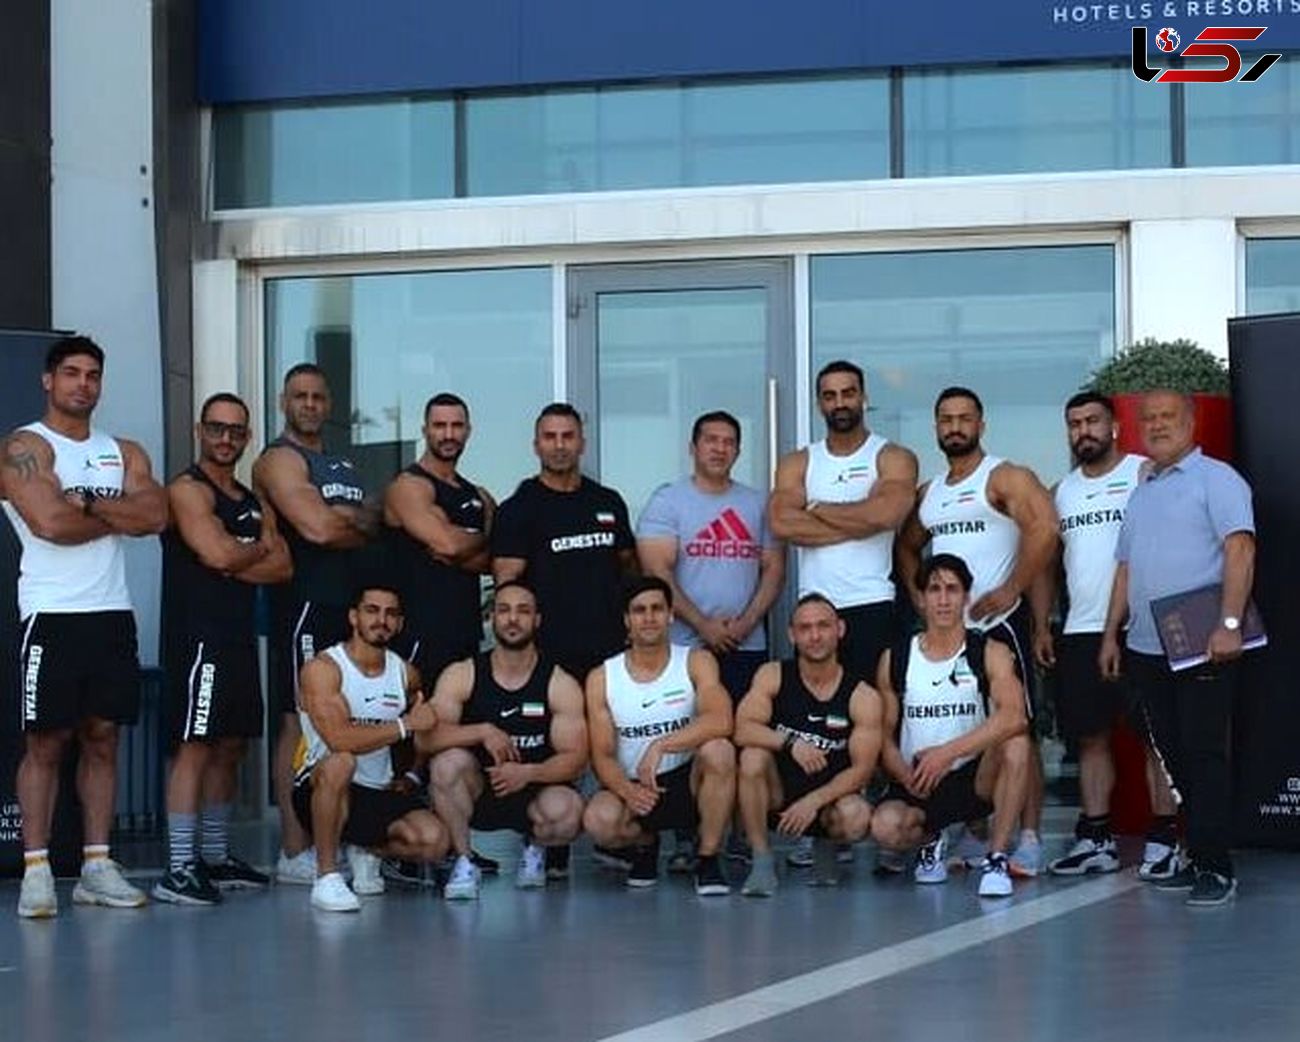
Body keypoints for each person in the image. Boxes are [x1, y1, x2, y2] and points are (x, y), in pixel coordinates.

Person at [2, 335, 168, 918]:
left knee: (103, 738)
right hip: (51, 613)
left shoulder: (123, 452)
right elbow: (49, 522)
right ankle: (37, 870)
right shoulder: (25, 446)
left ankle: (97, 865)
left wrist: (90, 505)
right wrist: (116, 513)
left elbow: (157, 514)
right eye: (71, 372)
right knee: (45, 743)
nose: (83, 384)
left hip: (111, 613)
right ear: (49, 380)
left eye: (92, 374)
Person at [1100, 390, 1256, 907]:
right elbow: (1126, 568)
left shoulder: (1218, 479)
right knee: (1173, 755)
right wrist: (1111, 633)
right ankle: (1197, 853)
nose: (1158, 425)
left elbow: (1240, 549)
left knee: (1204, 754)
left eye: (1169, 416)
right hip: (1146, 646)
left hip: (1203, 641)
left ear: (1192, 423)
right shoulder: (1141, 491)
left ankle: (1217, 867)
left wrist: (1229, 623)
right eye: (1149, 418)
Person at [898, 385, 1057, 877]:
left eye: (964, 418)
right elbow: (906, 547)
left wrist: (1012, 589)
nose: (955, 427)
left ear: (981, 424)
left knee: (1017, 729)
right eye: (946, 419)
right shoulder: (930, 494)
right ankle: (974, 829)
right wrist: (920, 596)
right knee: (969, 728)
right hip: (951, 633)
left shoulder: (1004, 477)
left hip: (998, 625)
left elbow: (1045, 528)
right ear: (936, 427)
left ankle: (1028, 839)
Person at [769, 359, 916, 869]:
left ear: (863, 396)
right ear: (819, 403)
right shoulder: (797, 463)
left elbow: (888, 514)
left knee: (883, 718)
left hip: (873, 605)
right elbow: (782, 523)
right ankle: (822, 828)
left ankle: (888, 832)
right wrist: (859, 517)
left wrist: (817, 511)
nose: (839, 403)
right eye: (829, 395)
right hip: (817, 611)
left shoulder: (892, 457)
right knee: (816, 725)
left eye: (848, 393)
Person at [1032, 392, 1178, 879]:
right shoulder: (1061, 492)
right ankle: (1097, 838)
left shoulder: (1143, 474)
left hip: (1143, 630)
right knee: (1091, 738)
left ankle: (1165, 839)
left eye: (1092, 421)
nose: (1083, 432)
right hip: (1081, 631)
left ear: (1113, 426)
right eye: (1074, 424)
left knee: (1156, 739)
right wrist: (1042, 624)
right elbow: (1045, 565)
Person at [155, 393, 292, 905]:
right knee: (195, 745)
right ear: (199, 430)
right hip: (197, 638)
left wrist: (237, 556)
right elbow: (215, 553)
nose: (226, 439)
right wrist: (247, 550)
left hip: (237, 638)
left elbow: (283, 567)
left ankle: (214, 856)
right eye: (216, 428)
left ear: (247, 437)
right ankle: (179, 868)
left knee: (232, 745)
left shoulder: (252, 500)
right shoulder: (186, 490)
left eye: (236, 431)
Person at [492, 401, 637, 878]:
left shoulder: (608, 502)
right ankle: (549, 843)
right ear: (536, 445)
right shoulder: (519, 509)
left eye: (568, 436)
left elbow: (629, 569)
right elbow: (508, 586)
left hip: (608, 652)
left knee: (613, 746)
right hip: (550, 656)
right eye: (550, 437)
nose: (559, 445)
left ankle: (615, 838)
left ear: (581, 442)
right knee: (556, 750)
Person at [637, 409, 784, 869]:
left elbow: (774, 569)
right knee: (689, 741)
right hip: (685, 646)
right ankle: (688, 837)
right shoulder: (668, 501)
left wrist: (747, 621)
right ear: (693, 447)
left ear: (738, 450)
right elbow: (656, 571)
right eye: (710, 440)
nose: (719, 448)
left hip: (747, 646)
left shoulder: (757, 504)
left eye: (728, 441)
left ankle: (737, 834)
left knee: (739, 741)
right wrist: (702, 624)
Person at [253, 363, 378, 884]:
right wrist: (350, 522)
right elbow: (319, 529)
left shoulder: (342, 464)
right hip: (302, 605)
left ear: (329, 405)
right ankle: (293, 847)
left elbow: (370, 519)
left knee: (343, 717)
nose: (309, 404)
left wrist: (349, 521)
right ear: (283, 402)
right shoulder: (279, 459)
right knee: (298, 722)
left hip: (343, 605)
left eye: (318, 397)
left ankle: (334, 835)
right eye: (299, 396)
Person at [870, 554, 1031, 899]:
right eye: (934, 589)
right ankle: (932, 840)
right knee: (885, 828)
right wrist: (903, 774)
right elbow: (882, 735)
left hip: (974, 777)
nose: (943, 599)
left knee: (1016, 743)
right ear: (921, 598)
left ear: (966, 597)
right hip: (918, 779)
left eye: (952, 589)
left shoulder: (989, 651)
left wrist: (947, 754)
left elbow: (1014, 715)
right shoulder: (896, 657)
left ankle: (996, 859)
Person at [425, 580, 588, 898]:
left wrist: (528, 773)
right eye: (504, 610)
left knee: (569, 812)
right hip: (478, 789)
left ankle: (535, 848)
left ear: (537, 620)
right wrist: (482, 731)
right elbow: (426, 741)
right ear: (491, 618)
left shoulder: (559, 682)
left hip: (536, 789)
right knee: (445, 765)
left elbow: (576, 758)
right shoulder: (462, 674)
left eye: (523, 611)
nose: (513, 619)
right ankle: (464, 861)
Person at [294, 583, 448, 912]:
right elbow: (338, 739)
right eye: (372, 611)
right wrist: (405, 725)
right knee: (342, 762)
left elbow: (424, 728)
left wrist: (412, 774)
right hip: (323, 786)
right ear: (354, 617)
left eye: (391, 614)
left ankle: (365, 850)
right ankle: (327, 876)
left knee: (434, 841)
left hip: (377, 790)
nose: (381, 620)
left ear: (400, 624)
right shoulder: (324, 669)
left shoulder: (406, 674)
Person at [582, 577, 737, 895]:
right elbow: (602, 755)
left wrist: (661, 745)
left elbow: (721, 720)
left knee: (720, 751)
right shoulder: (602, 677)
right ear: (627, 620)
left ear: (670, 615)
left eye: (657, 609)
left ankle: (707, 857)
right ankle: (645, 845)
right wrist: (626, 790)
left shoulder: (696, 661)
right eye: (639, 611)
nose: (649, 617)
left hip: (688, 780)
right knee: (599, 819)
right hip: (636, 784)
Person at [733, 594, 882, 895]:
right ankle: (762, 860)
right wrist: (791, 743)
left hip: (828, 799)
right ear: (792, 635)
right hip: (778, 794)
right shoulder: (773, 675)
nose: (815, 636)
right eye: (805, 628)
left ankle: (826, 844)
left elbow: (863, 770)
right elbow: (742, 729)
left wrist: (813, 802)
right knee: (751, 757)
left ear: (840, 629)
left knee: (856, 816)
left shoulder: (862, 695)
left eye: (823, 626)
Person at [384, 392, 494, 687]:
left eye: (456, 426)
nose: (448, 434)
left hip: (466, 634)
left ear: (468, 431)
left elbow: (493, 559)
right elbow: (448, 544)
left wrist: (464, 545)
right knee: (421, 714)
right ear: (425, 430)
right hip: (418, 635)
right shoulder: (410, 486)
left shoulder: (478, 495)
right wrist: (478, 538)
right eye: (439, 426)